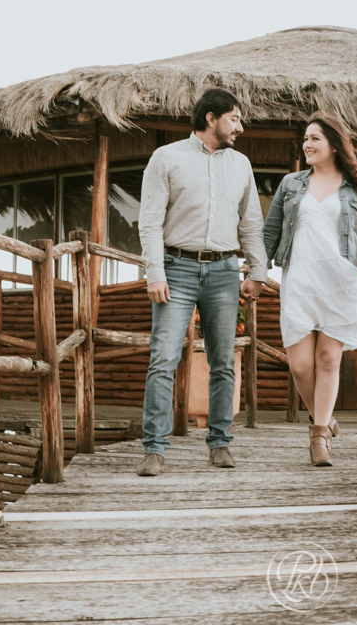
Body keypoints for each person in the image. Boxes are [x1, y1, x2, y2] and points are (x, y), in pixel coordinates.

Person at [135, 88, 267, 477]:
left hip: (225, 272)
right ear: (211, 118)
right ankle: (154, 450)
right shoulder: (166, 158)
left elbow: (251, 223)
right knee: (163, 358)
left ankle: (220, 442)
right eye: (235, 118)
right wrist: (154, 272)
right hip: (176, 268)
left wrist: (258, 271)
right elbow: (150, 220)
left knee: (223, 361)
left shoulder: (241, 164)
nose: (239, 127)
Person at [263, 112, 357, 466]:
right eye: (305, 138)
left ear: (333, 144)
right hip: (299, 281)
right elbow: (271, 232)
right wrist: (256, 269)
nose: (307, 144)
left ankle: (318, 440)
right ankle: (326, 420)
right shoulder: (291, 184)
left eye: (315, 138)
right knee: (300, 366)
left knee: (328, 359)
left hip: (340, 282)